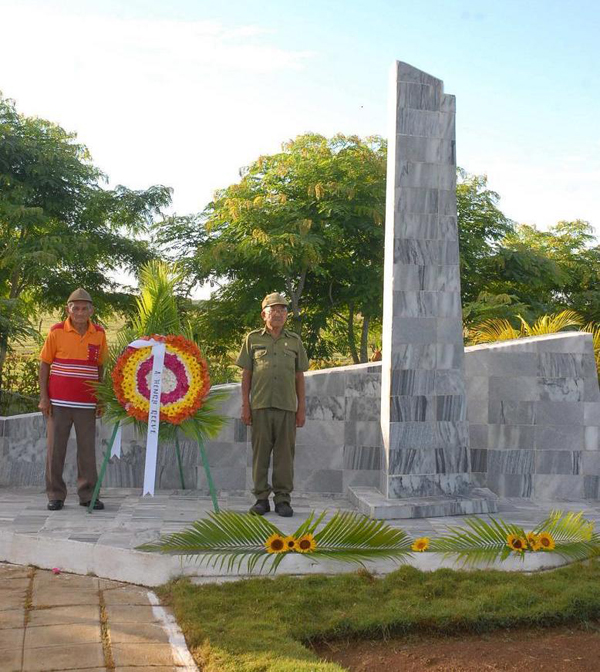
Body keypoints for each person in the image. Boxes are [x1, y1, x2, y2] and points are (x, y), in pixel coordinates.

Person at [236, 292, 309, 517]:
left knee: (285, 456)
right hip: (259, 406)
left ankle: (282, 499)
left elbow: (299, 377)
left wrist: (301, 408)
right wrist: (245, 406)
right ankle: (261, 499)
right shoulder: (252, 339)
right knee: (260, 455)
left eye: (282, 310)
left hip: (287, 407)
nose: (278, 313)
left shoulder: (295, 341)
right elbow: (246, 375)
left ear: (287, 314)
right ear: (264, 314)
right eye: (273, 309)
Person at [39, 288, 108, 511]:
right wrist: (44, 398)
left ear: (91, 310)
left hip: (86, 404)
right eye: (75, 308)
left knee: (87, 452)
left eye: (84, 308)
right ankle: (55, 495)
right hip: (58, 403)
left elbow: (100, 368)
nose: (79, 312)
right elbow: (44, 364)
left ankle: (88, 495)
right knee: (55, 450)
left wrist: (100, 399)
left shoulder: (99, 333)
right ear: (68, 309)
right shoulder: (56, 331)